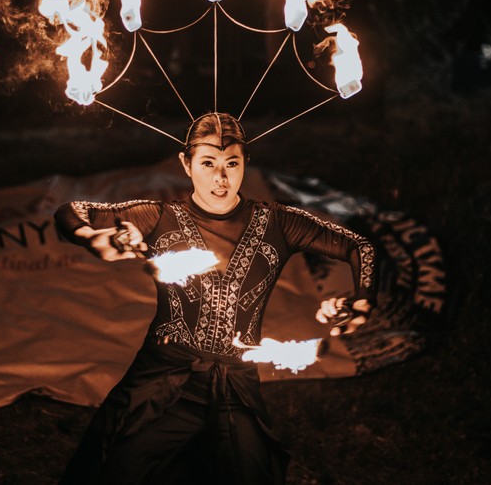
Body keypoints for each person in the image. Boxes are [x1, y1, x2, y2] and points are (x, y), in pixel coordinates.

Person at [54, 111, 378, 485]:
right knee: (119, 470)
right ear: (186, 163)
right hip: (164, 379)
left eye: (231, 163)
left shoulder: (279, 223)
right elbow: (71, 211)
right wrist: (92, 237)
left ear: (245, 163)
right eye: (208, 163)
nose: (220, 177)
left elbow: (359, 246)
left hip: (235, 387)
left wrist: (362, 299)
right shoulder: (158, 217)